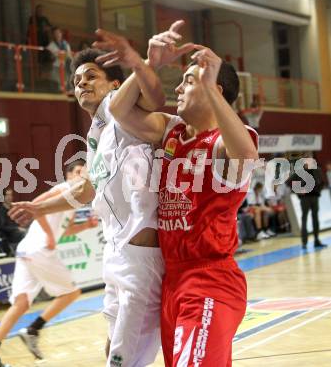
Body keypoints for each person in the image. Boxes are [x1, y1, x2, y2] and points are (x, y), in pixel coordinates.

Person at [94, 21, 258, 366]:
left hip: (210, 279)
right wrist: (144, 64)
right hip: (172, 281)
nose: (178, 88)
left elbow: (245, 156)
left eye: (189, 80)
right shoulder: (172, 132)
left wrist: (209, 85)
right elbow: (120, 112)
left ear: (217, 89)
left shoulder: (227, 140)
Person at [9, 48, 165, 366]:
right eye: (77, 80)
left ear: (115, 85)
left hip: (139, 256)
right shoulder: (96, 133)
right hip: (115, 251)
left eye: (91, 76)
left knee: (122, 359)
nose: (82, 84)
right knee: (112, 348)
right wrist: (39, 210)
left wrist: (145, 62)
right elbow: (84, 190)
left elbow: (152, 97)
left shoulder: (122, 113)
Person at [0, 160, 97, 367]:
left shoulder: (72, 201)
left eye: (83, 173)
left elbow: (66, 230)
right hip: (39, 249)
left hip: (27, 249)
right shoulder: (63, 188)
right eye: (78, 172)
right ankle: (33, 329)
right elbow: (37, 206)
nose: (81, 176)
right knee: (71, 293)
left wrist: (86, 225)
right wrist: (50, 235)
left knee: (21, 304)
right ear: (68, 175)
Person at [287, 159, 327, 249]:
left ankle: (316, 240)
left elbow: (322, 182)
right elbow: (289, 183)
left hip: (314, 197)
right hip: (305, 199)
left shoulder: (317, 170)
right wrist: (299, 191)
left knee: (315, 218)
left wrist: (318, 191)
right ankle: (304, 242)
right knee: (304, 218)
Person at [0, 188, 26, 256]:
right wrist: (17, 228)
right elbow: (2, 227)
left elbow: (17, 222)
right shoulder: (0, 210)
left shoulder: (13, 209)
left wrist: (21, 226)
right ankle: (22, 254)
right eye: (7, 195)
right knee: (23, 233)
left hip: (16, 232)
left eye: (11, 195)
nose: (9, 197)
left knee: (29, 230)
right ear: (3, 197)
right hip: (7, 235)